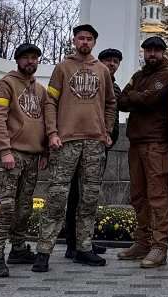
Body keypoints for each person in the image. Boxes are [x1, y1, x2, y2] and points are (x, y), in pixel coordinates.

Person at [33, 24, 116, 272]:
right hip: (66, 141)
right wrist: (52, 133)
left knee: (89, 198)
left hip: (94, 142)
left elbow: (111, 103)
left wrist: (107, 131)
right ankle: (43, 251)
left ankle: (84, 247)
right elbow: (51, 101)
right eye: (81, 38)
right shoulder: (63, 67)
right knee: (57, 197)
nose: (85, 42)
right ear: (74, 40)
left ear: (94, 42)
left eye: (89, 39)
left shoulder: (102, 70)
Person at [0, 43, 49, 277]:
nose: (31, 61)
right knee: (3, 207)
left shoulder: (40, 90)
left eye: (34, 58)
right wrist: (4, 150)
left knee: (24, 207)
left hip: (32, 157)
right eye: (26, 58)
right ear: (18, 60)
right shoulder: (5, 84)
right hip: (11, 155)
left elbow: (43, 122)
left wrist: (44, 151)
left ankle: (18, 248)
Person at [117, 36, 168, 268]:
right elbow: (121, 101)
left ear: (162, 53)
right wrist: (137, 97)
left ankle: (159, 246)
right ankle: (142, 241)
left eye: (156, 51)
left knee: (158, 196)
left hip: (157, 143)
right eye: (148, 50)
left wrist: (136, 97)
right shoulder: (140, 75)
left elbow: (149, 99)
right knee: (138, 195)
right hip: (136, 142)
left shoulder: (167, 74)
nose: (151, 54)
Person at [62, 48, 122, 259]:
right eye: (108, 60)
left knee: (90, 197)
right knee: (76, 196)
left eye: (116, 61)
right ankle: (72, 244)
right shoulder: (85, 81)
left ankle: (85, 241)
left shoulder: (114, 87)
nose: (112, 64)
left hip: (100, 149)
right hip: (80, 145)